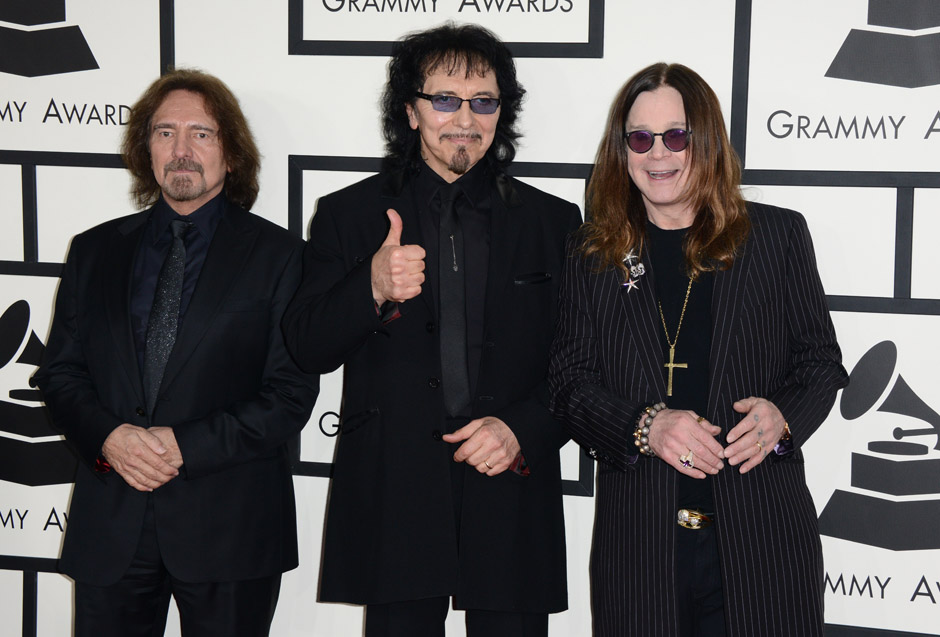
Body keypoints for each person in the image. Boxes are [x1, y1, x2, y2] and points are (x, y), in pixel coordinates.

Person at [283, 22, 580, 637]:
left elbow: (581, 364)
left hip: (511, 484)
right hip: (394, 491)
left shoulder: (554, 221)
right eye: (444, 99)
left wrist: (521, 429)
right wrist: (369, 285)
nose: (464, 118)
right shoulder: (349, 214)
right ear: (411, 111)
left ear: (503, 111)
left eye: (483, 101)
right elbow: (306, 345)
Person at [548, 62, 849, 637]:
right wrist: (645, 427)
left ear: (705, 140)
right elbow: (568, 384)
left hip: (764, 545)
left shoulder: (776, 236)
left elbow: (820, 362)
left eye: (676, 135)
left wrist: (782, 418)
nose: (658, 154)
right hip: (639, 553)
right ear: (623, 150)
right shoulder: (592, 253)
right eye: (640, 138)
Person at [33, 69, 319, 637]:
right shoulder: (93, 251)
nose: (181, 150)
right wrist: (111, 438)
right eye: (164, 133)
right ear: (146, 150)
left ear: (232, 153)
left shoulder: (282, 255)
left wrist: (181, 445)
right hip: (113, 521)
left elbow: (288, 395)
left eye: (201, 134)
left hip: (231, 530)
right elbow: (61, 374)